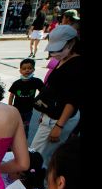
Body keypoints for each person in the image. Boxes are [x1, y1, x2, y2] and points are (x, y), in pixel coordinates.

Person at [29, 25, 80, 167]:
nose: (54, 53)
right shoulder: (64, 59)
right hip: (51, 115)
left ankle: (38, 187)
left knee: (36, 157)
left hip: (58, 119)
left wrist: (59, 126)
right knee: (45, 156)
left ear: (71, 44)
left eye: (58, 49)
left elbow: (72, 100)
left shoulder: (76, 65)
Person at [8, 58, 44, 139]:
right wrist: (10, 107)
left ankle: (24, 140)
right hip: (16, 109)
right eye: (24, 69)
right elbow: (11, 96)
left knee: (25, 126)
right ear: (20, 71)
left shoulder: (36, 81)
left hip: (29, 109)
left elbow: (43, 93)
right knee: (15, 125)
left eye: (30, 68)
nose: (27, 70)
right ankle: (13, 140)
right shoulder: (17, 83)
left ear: (33, 69)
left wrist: (39, 103)